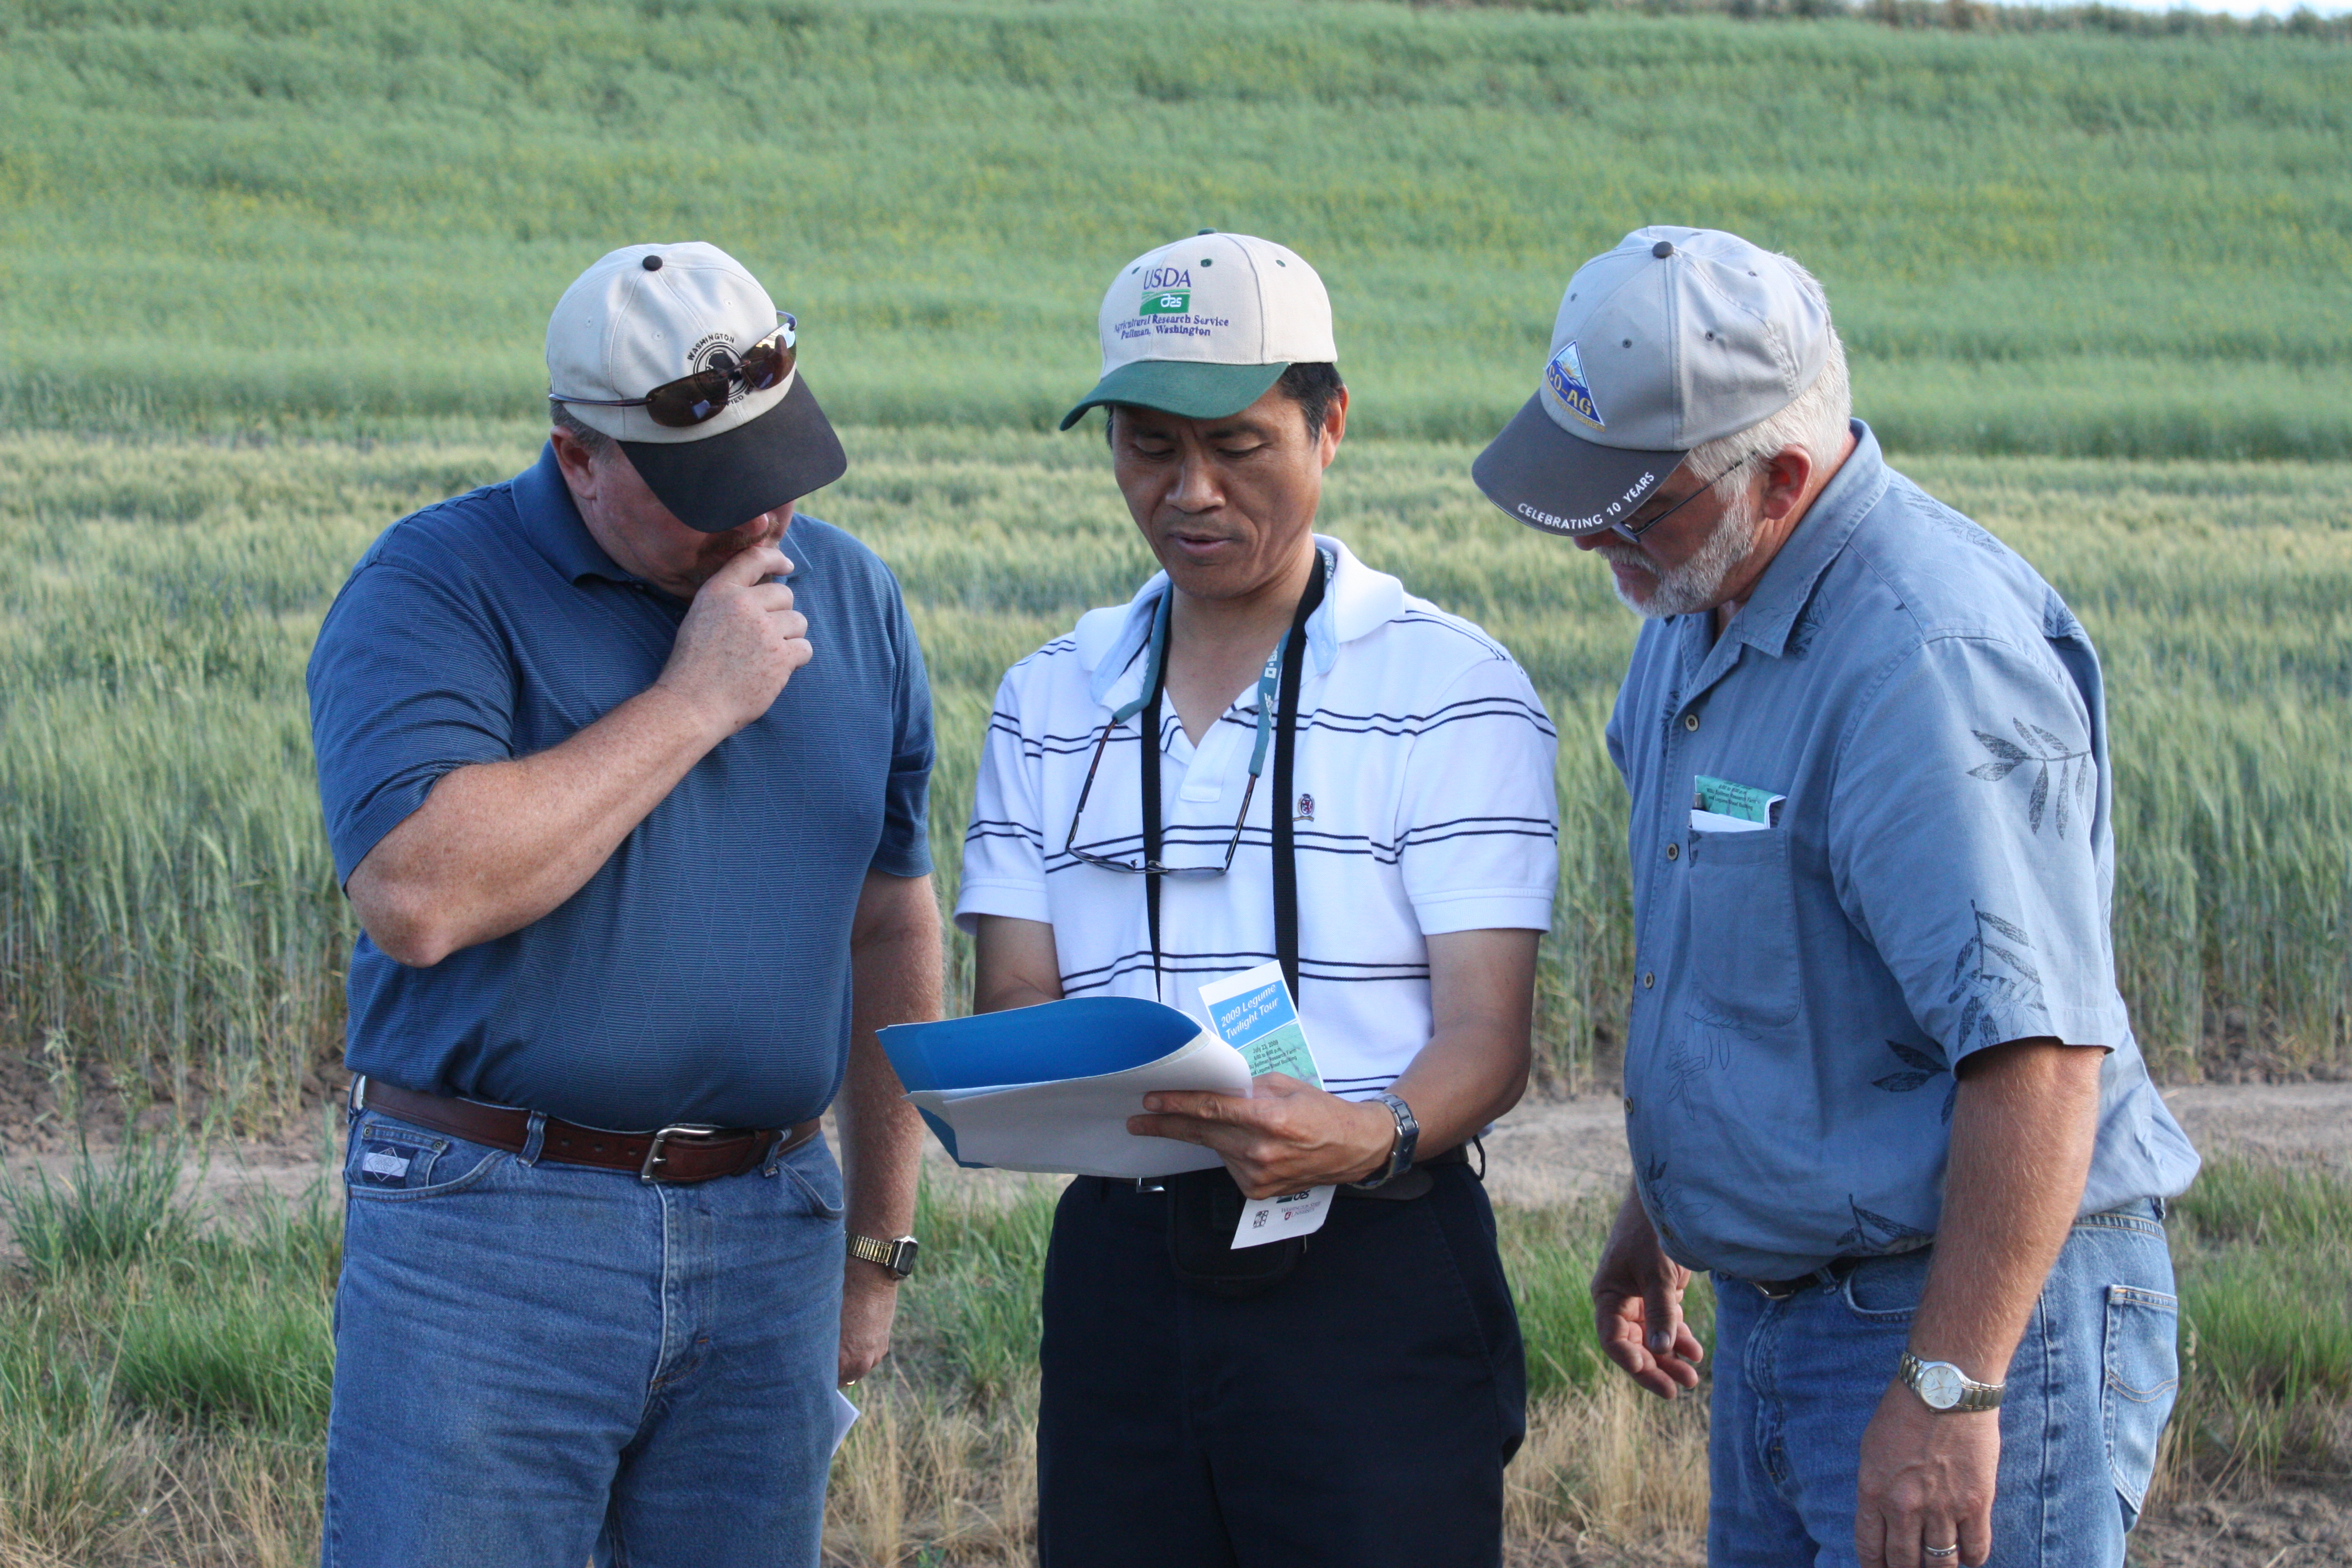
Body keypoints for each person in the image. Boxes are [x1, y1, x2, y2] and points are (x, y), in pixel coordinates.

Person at [1471, 226, 2201, 1568]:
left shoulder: (1927, 660)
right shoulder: (1693, 610)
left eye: (1637, 505)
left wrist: (1949, 1389)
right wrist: (1666, 1208)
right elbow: (1737, 960)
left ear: (1783, 476)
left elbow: (2038, 1064)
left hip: (1968, 1321)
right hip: (1784, 1320)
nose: (1598, 542)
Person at [304, 241, 938, 1568]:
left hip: (774, 1226)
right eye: (712, 490)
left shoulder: (861, 599)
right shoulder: (435, 585)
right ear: (578, 453)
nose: (762, 521)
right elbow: (417, 893)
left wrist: (879, 1238)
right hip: (493, 1225)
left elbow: (890, 922)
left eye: (776, 473)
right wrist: (693, 699)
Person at [955, 230, 1560, 1567]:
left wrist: (1366, 1131)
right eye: (1148, 447)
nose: (1191, 493)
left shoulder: (1451, 688)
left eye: (1238, 446)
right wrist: (1012, 1082)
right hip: (1124, 1264)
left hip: (1374, 1254)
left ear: (1328, 422)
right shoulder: (1048, 697)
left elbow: (1488, 1034)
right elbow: (1013, 1001)